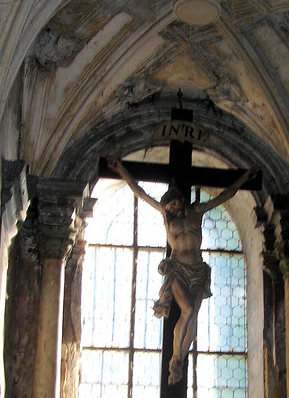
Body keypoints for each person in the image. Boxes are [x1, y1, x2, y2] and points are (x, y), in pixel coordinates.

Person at [106, 155, 257, 384]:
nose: (172, 209)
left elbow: (225, 195)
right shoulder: (166, 218)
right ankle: (175, 357)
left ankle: (180, 362)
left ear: (181, 200)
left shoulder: (197, 211)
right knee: (187, 310)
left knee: (193, 323)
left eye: (174, 205)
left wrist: (243, 178)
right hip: (177, 269)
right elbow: (141, 193)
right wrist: (121, 170)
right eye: (168, 207)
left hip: (198, 270)